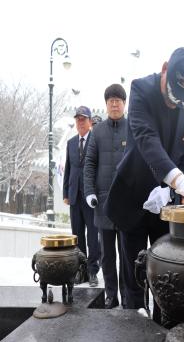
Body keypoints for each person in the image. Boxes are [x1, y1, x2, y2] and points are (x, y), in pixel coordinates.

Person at [104, 47, 184, 322]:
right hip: (134, 196)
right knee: (134, 278)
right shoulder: (141, 90)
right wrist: (178, 180)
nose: (176, 104)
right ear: (164, 70)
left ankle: (163, 324)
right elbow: (147, 139)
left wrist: (173, 190)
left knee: (167, 276)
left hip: (166, 205)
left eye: (182, 100)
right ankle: (135, 319)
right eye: (173, 95)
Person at [84, 84, 128, 309]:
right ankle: (111, 295)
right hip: (103, 202)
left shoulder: (133, 128)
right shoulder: (97, 131)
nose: (114, 103)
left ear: (124, 103)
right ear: (106, 104)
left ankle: (129, 297)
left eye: (118, 100)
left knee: (128, 255)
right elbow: (90, 163)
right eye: (110, 100)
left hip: (128, 203)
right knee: (107, 255)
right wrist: (90, 191)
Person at [63, 106, 100, 287]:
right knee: (77, 236)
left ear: (90, 121)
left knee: (93, 236)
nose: (80, 122)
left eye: (83, 119)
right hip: (74, 196)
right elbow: (68, 169)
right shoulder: (70, 143)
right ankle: (81, 271)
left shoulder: (96, 140)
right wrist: (65, 193)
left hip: (90, 196)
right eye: (78, 119)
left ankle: (93, 271)